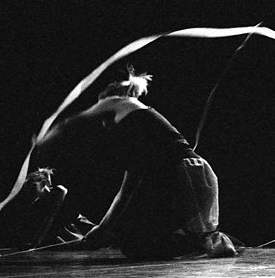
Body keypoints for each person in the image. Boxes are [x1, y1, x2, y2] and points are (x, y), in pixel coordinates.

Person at [34, 69, 235, 260]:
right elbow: (126, 192)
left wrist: (41, 141)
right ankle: (207, 242)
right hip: (190, 175)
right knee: (136, 246)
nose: (103, 123)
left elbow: (72, 122)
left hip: (183, 173)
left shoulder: (118, 101)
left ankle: (207, 241)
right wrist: (102, 229)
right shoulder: (138, 142)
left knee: (144, 242)